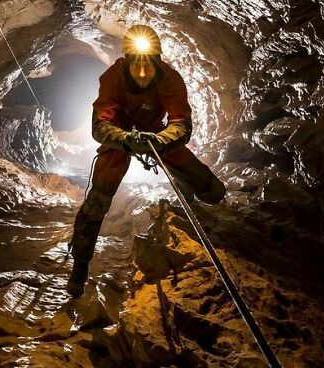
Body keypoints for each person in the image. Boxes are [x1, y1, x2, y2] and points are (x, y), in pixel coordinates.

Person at [67, 24, 226, 297]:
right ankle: (80, 264)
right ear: (127, 61)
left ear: (157, 62)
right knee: (97, 201)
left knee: (213, 190)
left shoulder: (170, 78)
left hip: (156, 135)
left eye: (148, 65)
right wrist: (126, 139)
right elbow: (100, 126)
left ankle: (191, 193)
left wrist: (163, 140)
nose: (142, 73)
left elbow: (181, 124)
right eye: (136, 65)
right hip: (120, 138)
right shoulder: (113, 77)